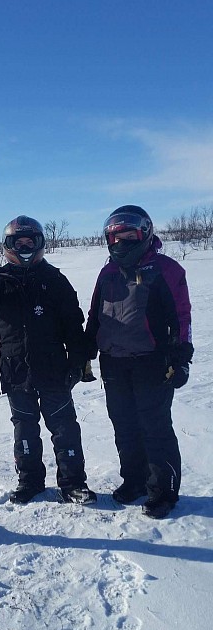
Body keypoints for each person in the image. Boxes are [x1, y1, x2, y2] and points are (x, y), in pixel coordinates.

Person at [0, 215, 96, 505]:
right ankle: (30, 481)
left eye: (30, 241)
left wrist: (78, 361)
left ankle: (73, 484)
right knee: (25, 428)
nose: (25, 246)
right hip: (15, 370)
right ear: (8, 245)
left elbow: (73, 324)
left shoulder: (55, 280)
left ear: (40, 243)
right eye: (19, 242)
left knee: (64, 427)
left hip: (54, 369)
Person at [85, 205, 194, 519]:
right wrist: (84, 354)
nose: (121, 242)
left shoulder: (167, 270)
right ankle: (134, 480)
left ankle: (163, 492)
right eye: (115, 237)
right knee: (124, 426)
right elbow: (96, 316)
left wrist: (181, 357)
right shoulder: (107, 273)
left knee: (155, 428)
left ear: (144, 233)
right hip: (114, 363)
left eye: (128, 235)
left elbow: (182, 318)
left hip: (152, 362)